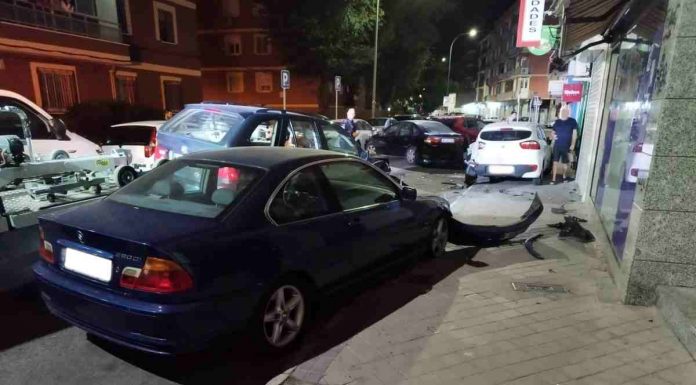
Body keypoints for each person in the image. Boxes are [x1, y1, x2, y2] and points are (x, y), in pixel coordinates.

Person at [551, 105, 578, 184]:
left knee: (565, 163)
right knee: (555, 162)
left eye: (566, 111)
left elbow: (574, 134)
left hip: (566, 146)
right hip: (557, 145)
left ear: (568, 112)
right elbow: (552, 132)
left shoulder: (572, 121)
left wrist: (573, 144)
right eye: (563, 111)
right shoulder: (557, 122)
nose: (564, 112)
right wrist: (553, 136)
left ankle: (564, 176)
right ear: (560, 112)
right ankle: (553, 179)